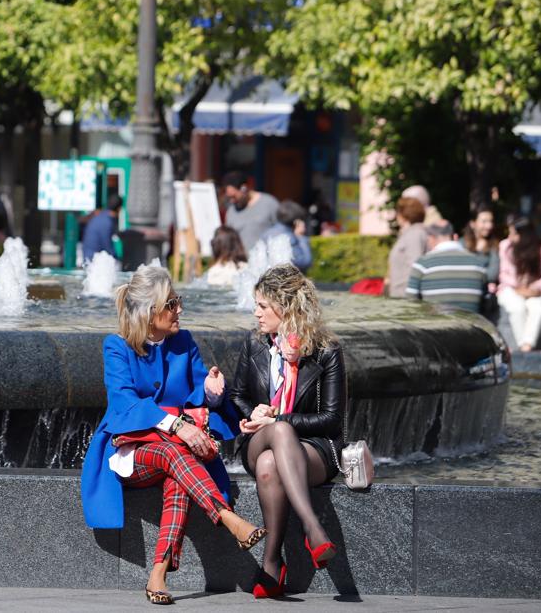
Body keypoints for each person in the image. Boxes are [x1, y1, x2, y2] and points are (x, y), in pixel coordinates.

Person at [81, 266, 267, 605]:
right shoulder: (117, 347)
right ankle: (227, 517)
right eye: (171, 303)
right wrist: (177, 424)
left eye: (177, 301)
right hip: (131, 452)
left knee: (177, 476)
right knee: (172, 453)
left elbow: (200, 390)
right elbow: (124, 402)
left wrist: (212, 392)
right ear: (150, 312)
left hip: (175, 455)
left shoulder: (183, 341)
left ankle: (158, 574)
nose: (179, 309)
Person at [229, 264, 347, 599]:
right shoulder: (254, 345)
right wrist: (255, 413)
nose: (256, 313)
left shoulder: (326, 351)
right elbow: (237, 395)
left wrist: (283, 418)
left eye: (263, 306)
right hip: (259, 439)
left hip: (314, 448)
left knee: (270, 465)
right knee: (277, 434)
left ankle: (271, 562)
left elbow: (332, 419)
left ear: (287, 307)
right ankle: (313, 528)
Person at [497, 217, 541, 352]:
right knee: (517, 307)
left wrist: (532, 288)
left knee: (538, 306)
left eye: (513, 233)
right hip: (511, 289)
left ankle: (526, 347)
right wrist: (519, 286)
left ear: (525, 236)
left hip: (535, 291)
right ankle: (525, 349)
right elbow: (503, 275)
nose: (510, 237)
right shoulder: (505, 246)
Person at [406, 221, 488, 313]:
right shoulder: (478, 263)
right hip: (472, 326)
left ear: (431, 238)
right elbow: (486, 303)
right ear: (455, 237)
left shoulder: (422, 264)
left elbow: (411, 304)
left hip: (435, 326)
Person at [221, 171, 280, 248]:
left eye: (234, 196)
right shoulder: (231, 211)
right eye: (229, 197)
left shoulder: (269, 203)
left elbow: (283, 230)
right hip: (241, 259)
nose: (232, 201)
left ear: (244, 189)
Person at [386, 196, 428, 297]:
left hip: (405, 298)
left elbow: (414, 266)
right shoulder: (409, 234)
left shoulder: (415, 234)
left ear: (404, 214)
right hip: (400, 296)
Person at [260, 200, 312, 272]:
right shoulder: (290, 237)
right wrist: (301, 237)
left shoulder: (266, 234)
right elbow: (304, 262)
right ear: (296, 222)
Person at [463, 205, 500, 286]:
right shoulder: (461, 244)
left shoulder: (494, 246)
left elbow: (492, 275)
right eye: (484, 221)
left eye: (491, 221)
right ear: (473, 224)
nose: (489, 226)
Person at [81, 195, 122, 263]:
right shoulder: (106, 222)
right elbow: (106, 244)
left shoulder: (100, 217)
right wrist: (115, 257)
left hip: (89, 256)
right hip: (94, 259)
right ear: (119, 209)